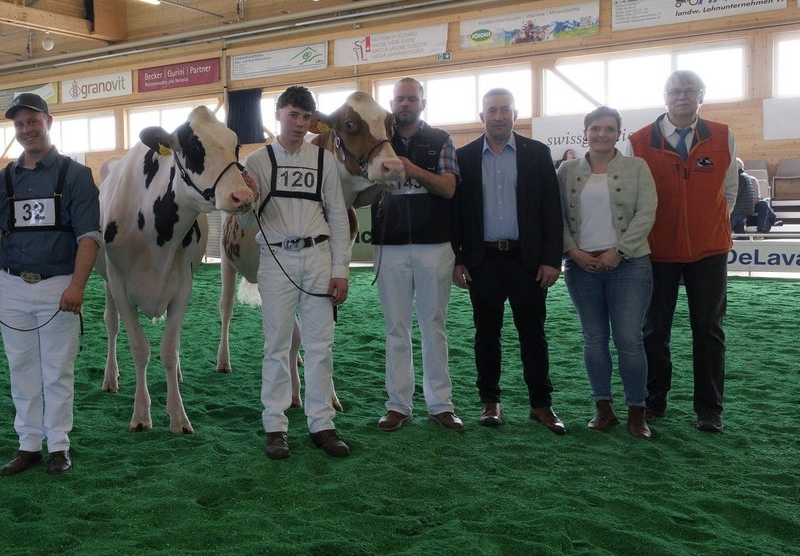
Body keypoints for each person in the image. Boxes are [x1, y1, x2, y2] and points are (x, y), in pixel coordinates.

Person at [0, 93, 101, 475]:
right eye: (19, 124)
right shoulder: (4, 179)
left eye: (33, 121)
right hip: (12, 287)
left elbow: (89, 236)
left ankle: (59, 446)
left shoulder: (76, 175)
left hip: (58, 286)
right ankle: (29, 445)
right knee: (21, 369)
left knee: (57, 371)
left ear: (48, 121)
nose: (26, 129)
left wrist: (77, 287)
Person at [239, 85, 352, 459]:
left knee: (321, 344)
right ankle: (275, 426)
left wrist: (340, 270)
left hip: (318, 257)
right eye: (293, 115)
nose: (300, 124)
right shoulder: (256, 162)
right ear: (278, 115)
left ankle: (322, 424)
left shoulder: (325, 161)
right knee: (277, 345)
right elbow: (244, 219)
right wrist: (246, 199)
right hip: (276, 259)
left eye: (306, 117)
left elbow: (338, 217)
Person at [452, 88, 567, 435]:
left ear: (515, 115)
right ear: (482, 116)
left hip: (527, 261)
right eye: (492, 110)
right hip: (482, 261)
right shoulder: (464, 157)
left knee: (533, 334)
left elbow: (552, 211)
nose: (499, 116)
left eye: (505, 110)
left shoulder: (537, 153)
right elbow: (456, 215)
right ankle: (490, 402)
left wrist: (552, 260)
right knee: (486, 335)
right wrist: (459, 259)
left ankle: (541, 404)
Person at [627, 70, 737, 433]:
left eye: (690, 91)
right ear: (665, 97)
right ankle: (654, 400)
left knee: (709, 330)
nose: (683, 96)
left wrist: (708, 226)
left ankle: (709, 409)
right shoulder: (639, 141)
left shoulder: (723, 135)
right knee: (654, 330)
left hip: (709, 251)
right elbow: (633, 198)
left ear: (701, 96)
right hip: (658, 251)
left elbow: (729, 191)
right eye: (675, 91)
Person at [557, 106, 657, 440]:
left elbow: (647, 212)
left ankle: (636, 410)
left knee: (629, 339)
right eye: (596, 128)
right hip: (581, 267)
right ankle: (603, 407)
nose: (602, 134)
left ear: (618, 132)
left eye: (609, 129)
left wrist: (620, 250)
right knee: (594, 339)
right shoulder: (567, 170)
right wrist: (572, 251)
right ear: (585, 132)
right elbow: (556, 216)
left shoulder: (637, 167)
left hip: (629, 265)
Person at [371, 77, 463, 433]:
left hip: (434, 245)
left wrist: (412, 170)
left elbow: (449, 188)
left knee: (433, 325)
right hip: (389, 244)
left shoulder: (440, 139)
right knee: (395, 327)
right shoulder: (379, 141)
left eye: (411, 99)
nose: (404, 105)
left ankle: (441, 405)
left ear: (422, 103)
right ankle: (398, 405)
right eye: (399, 99)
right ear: (391, 104)